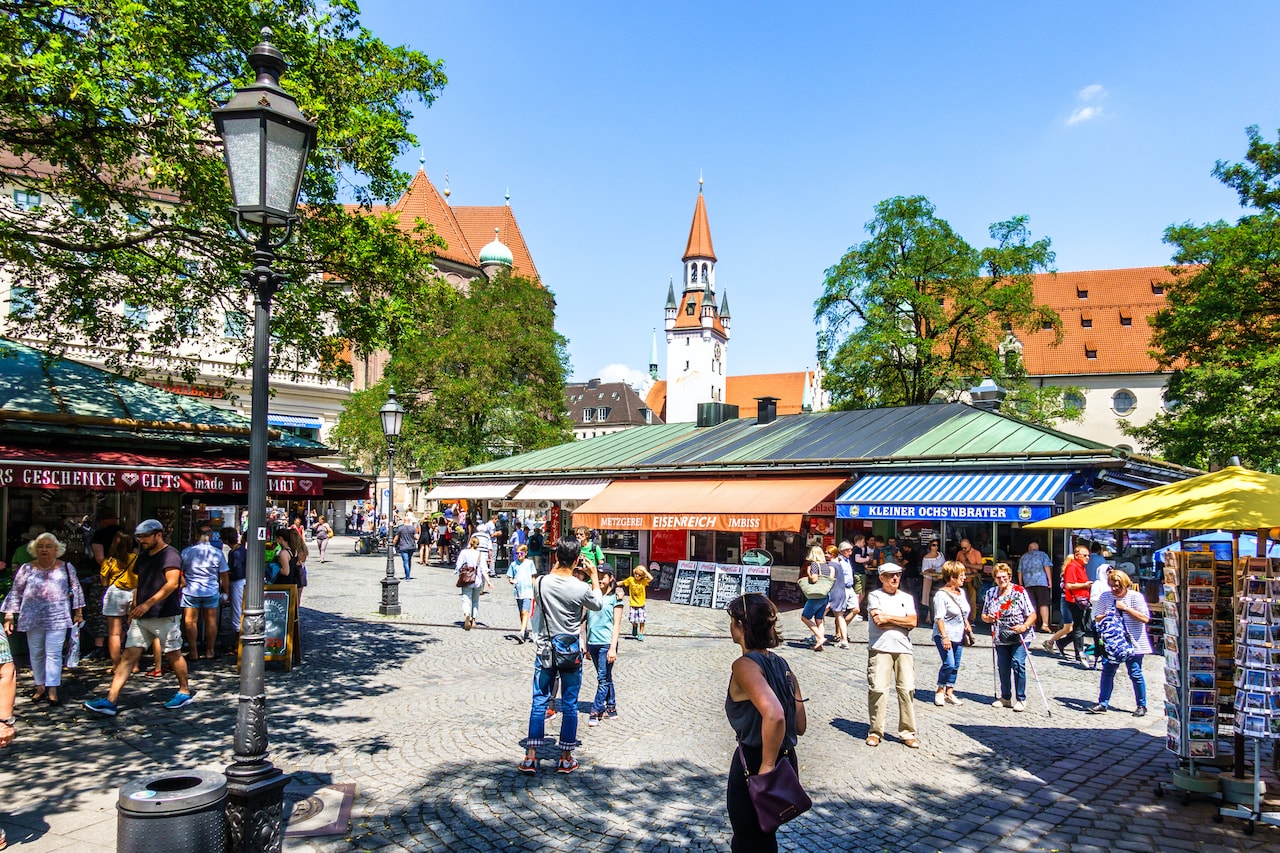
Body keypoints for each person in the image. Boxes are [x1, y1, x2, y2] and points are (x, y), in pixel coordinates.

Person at [83, 520, 195, 715]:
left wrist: (147, 604)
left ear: (158, 535)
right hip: (141, 618)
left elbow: (173, 584)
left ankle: (184, 690)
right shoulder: (141, 557)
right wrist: (134, 607)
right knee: (128, 657)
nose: (141, 540)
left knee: (173, 653)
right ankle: (111, 700)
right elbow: (138, 584)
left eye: (145, 536)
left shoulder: (170, 554)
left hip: (165, 615)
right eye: (139, 537)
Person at [724, 592, 807, 852]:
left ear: (740, 625)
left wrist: (767, 766)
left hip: (756, 763)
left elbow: (775, 714)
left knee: (748, 840)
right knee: (763, 838)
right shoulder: (782, 664)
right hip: (787, 760)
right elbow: (800, 724)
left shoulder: (745, 665)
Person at [519, 536, 603, 775]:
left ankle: (531, 756)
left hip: (545, 649)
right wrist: (593, 575)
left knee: (539, 700)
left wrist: (560, 563)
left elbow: (547, 583)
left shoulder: (541, 583)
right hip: (570, 652)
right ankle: (565, 757)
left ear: (556, 557)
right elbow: (597, 604)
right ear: (577, 560)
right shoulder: (581, 587)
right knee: (570, 704)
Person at [2, 532, 85, 705]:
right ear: (34, 550)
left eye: (48, 546)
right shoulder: (26, 568)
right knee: (37, 652)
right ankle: (40, 686)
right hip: (32, 617)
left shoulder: (66, 567)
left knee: (54, 653)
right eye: (40, 546)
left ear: (56, 550)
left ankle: (52, 687)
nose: (44, 549)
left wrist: (78, 613)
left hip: (58, 616)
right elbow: (16, 591)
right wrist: (9, 615)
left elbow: (76, 590)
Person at [866, 563, 918, 748]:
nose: (895, 578)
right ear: (881, 578)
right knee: (878, 689)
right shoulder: (875, 596)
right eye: (890, 575)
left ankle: (907, 732)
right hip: (880, 647)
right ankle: (875, 731)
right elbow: (878, 621)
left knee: (907, 689)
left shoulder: (907, 597)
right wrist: (901, 622)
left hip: (904, 648)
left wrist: (889, 618)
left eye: (897, 575)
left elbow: (913, 621)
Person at [1088, 569, 1151, 716]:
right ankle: (1103, 703)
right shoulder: (1106, 596)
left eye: (1118, 586)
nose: (1114, 589)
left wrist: (1126, 609)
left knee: (1135, 673)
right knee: (1108, 671)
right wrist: (1108, 614)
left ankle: (1142, 705)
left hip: (1134, 642)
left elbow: (1145, 618)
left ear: (1125, 584)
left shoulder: (1135, 597)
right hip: (1113, 643)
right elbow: (1097, 617)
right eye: (1112, 586)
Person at [100, 529, 160, 675]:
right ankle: (134, 664)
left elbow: (104, 582)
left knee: (114, 633)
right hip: (134, 593)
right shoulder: (136, 558)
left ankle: (116, 666)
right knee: (134, 631)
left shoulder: (109, 561)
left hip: (115, 593)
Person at [982, 563, 1037, 712]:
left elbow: (1032, 614)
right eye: (998, 577)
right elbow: (984, 615)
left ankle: (1021, 698)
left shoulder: (1019, 591)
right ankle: (1005, 697)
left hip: (1020, 634)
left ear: (1010, 577)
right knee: (1003, 666)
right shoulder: (991, 593)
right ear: (994, 578)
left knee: (1017, 662)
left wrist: (1024, 626)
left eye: (1004, 577)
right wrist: (989, 618)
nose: (1001, 580)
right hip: (1001, 635)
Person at [180, 526, 229, 661]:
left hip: (191, 589)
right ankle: (210, 651)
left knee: (190, 622)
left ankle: (193, 652)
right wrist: (226, 591)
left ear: (196, 534)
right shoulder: (217, 553)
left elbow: (179, 571)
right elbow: (224, 574)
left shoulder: (187, 552)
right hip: (210, 590)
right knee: (211, 621)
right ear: (211, 535)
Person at [585, 570, 624, 726]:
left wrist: (612, 647)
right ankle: (611, 707)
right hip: (592, 643)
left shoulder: (616, 598)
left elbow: (617, 624)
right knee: (606, 676)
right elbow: (587, 621)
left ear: (611, 578)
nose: (600, 580)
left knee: (602, 679)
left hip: (606, 643)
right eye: (598, 577)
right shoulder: (592, 596)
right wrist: (587, 645)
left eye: (603, 577)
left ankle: (595, 711)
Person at [931, 561, 971, 707]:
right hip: (944, 634)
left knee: (956, 665)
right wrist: (944, 637)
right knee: (949, 663)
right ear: (952, 577)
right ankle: (940, 690)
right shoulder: (941, 595)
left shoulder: (962, 593)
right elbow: (939, 618)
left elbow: (964, 611)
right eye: (961, 575)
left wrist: (966, 623)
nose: (964, 578)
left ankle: (950, 692)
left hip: (958, 634)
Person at [1049, 545, 1091, 663]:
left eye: (1088, 555)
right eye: (1085, 555)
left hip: (1081, 600)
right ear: (1077, 555)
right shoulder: (1072, 567)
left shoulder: (1081, 567)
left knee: (1080, 627)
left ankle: (1062, 643)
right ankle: (1080, 655)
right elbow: (1069, 585)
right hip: (1074, 601)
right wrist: (1085, 585)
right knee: (1078, 628)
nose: (1087, 558)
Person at [455, 535, 493, 630]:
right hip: (477, 580)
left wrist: (458, 571)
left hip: (466, 580)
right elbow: (484, 569)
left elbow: (458, 565)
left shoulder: (464, 552)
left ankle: (467, 614)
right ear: (478, 544)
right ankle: (474, 620)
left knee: (466, 598)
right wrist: (488, 582)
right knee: (475, 600)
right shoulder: (480, 554)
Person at [799, 545, 832, 651]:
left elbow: (814, 579)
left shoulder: (814, 565)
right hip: (825, 595)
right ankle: (819, 645)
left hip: (816, 596)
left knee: (804, 617)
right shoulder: (826, 566)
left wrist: (808, 572)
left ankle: (820, 637)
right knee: (819, 620)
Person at [1017, 541, 1054, 632]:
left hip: (1028, 583)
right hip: (1041, 582)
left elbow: (1019, 571)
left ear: (1029, 548)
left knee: (1031, 604)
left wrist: (1021, 583)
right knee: (1043, 603)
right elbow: (1047, 567)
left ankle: (1032, 624)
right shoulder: (1043, 555)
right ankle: (1044, 624)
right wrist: (1050, 580)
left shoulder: (1024, 557)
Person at [507, 543, 536, 642]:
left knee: (525, 611)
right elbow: (510, 576)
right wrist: (511, 580)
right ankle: (525, 630)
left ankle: (522, 633)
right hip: (518, 592)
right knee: (521, 613)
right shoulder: (513, 564)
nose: (519, 555)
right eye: (517, 553)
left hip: (528, 592)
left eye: (521, 553)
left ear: (525, 553)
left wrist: (535, 589)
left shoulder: (529, 563)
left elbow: (533, 577)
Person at [617, 565, 653, 641]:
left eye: (639, 574)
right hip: (633, 603)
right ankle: (635, 626)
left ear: (642, 575)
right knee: (632, 619)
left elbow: (651, 578)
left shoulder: (643, 581)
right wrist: (612, 584)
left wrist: (645, 571)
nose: (637, 575)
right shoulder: (631, 580)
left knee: (642, 620)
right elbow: (623, 583)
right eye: (636, 573)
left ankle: (641, 634)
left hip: (641, 604)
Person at [824, 544, 850, 649]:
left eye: (827, 553)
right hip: (841, 592)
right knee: (840, 616)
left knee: (821, 614)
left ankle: (819, 635)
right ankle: (844, 640)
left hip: (834, 592)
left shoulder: (831, 565)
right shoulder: (839, 564)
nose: (826, 555)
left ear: (832, 554)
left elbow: (830, 579)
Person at [274, 528, 309, 593]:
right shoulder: (293, 551)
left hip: (284, 583)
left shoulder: (284, 553)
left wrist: (273, 567)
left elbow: (286, 572)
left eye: (276, 538)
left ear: (280, 538)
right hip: (293, 581)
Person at [957, 538, 985, 616]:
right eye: (962, 548)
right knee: (961, 599)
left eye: (965, 548)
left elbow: (980, 567)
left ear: (969, 546)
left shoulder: (976, 553)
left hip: (972, 579)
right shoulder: (960, 553)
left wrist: (967, 565)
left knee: (972, 600)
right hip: (961, 579)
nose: (963, 549)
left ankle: (972, 618)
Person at [919, 542, 945, 620]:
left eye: (937, 545)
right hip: (929, 578)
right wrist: (931, 569)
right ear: (930, 546)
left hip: (940, 578)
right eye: (934, 545)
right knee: (929, 598)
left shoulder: (940, 554)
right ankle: (929, 616)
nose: (936, 546)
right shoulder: (926, 557)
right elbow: (924, 570)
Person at [850, 533, 872, 621]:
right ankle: (854, 611)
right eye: (863, 542)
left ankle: (855, 610)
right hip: (859, 573)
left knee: (860, 592)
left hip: (856, 572)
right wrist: (867, 559)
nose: (864, 544)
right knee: (859, 593)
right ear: (858, 541)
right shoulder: (858, 549)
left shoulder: (852, 549)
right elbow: (857, 559)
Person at [395, 514, 417, 580]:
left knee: (405, 561)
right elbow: (416, 537)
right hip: (411, 547)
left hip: (403, 547)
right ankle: (408, 574)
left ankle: (407, 576)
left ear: (404, 521)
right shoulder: (413, 528)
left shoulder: (400, 528)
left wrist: (392, 545)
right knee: (409, 560)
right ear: (409, 521)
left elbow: (396, 538)